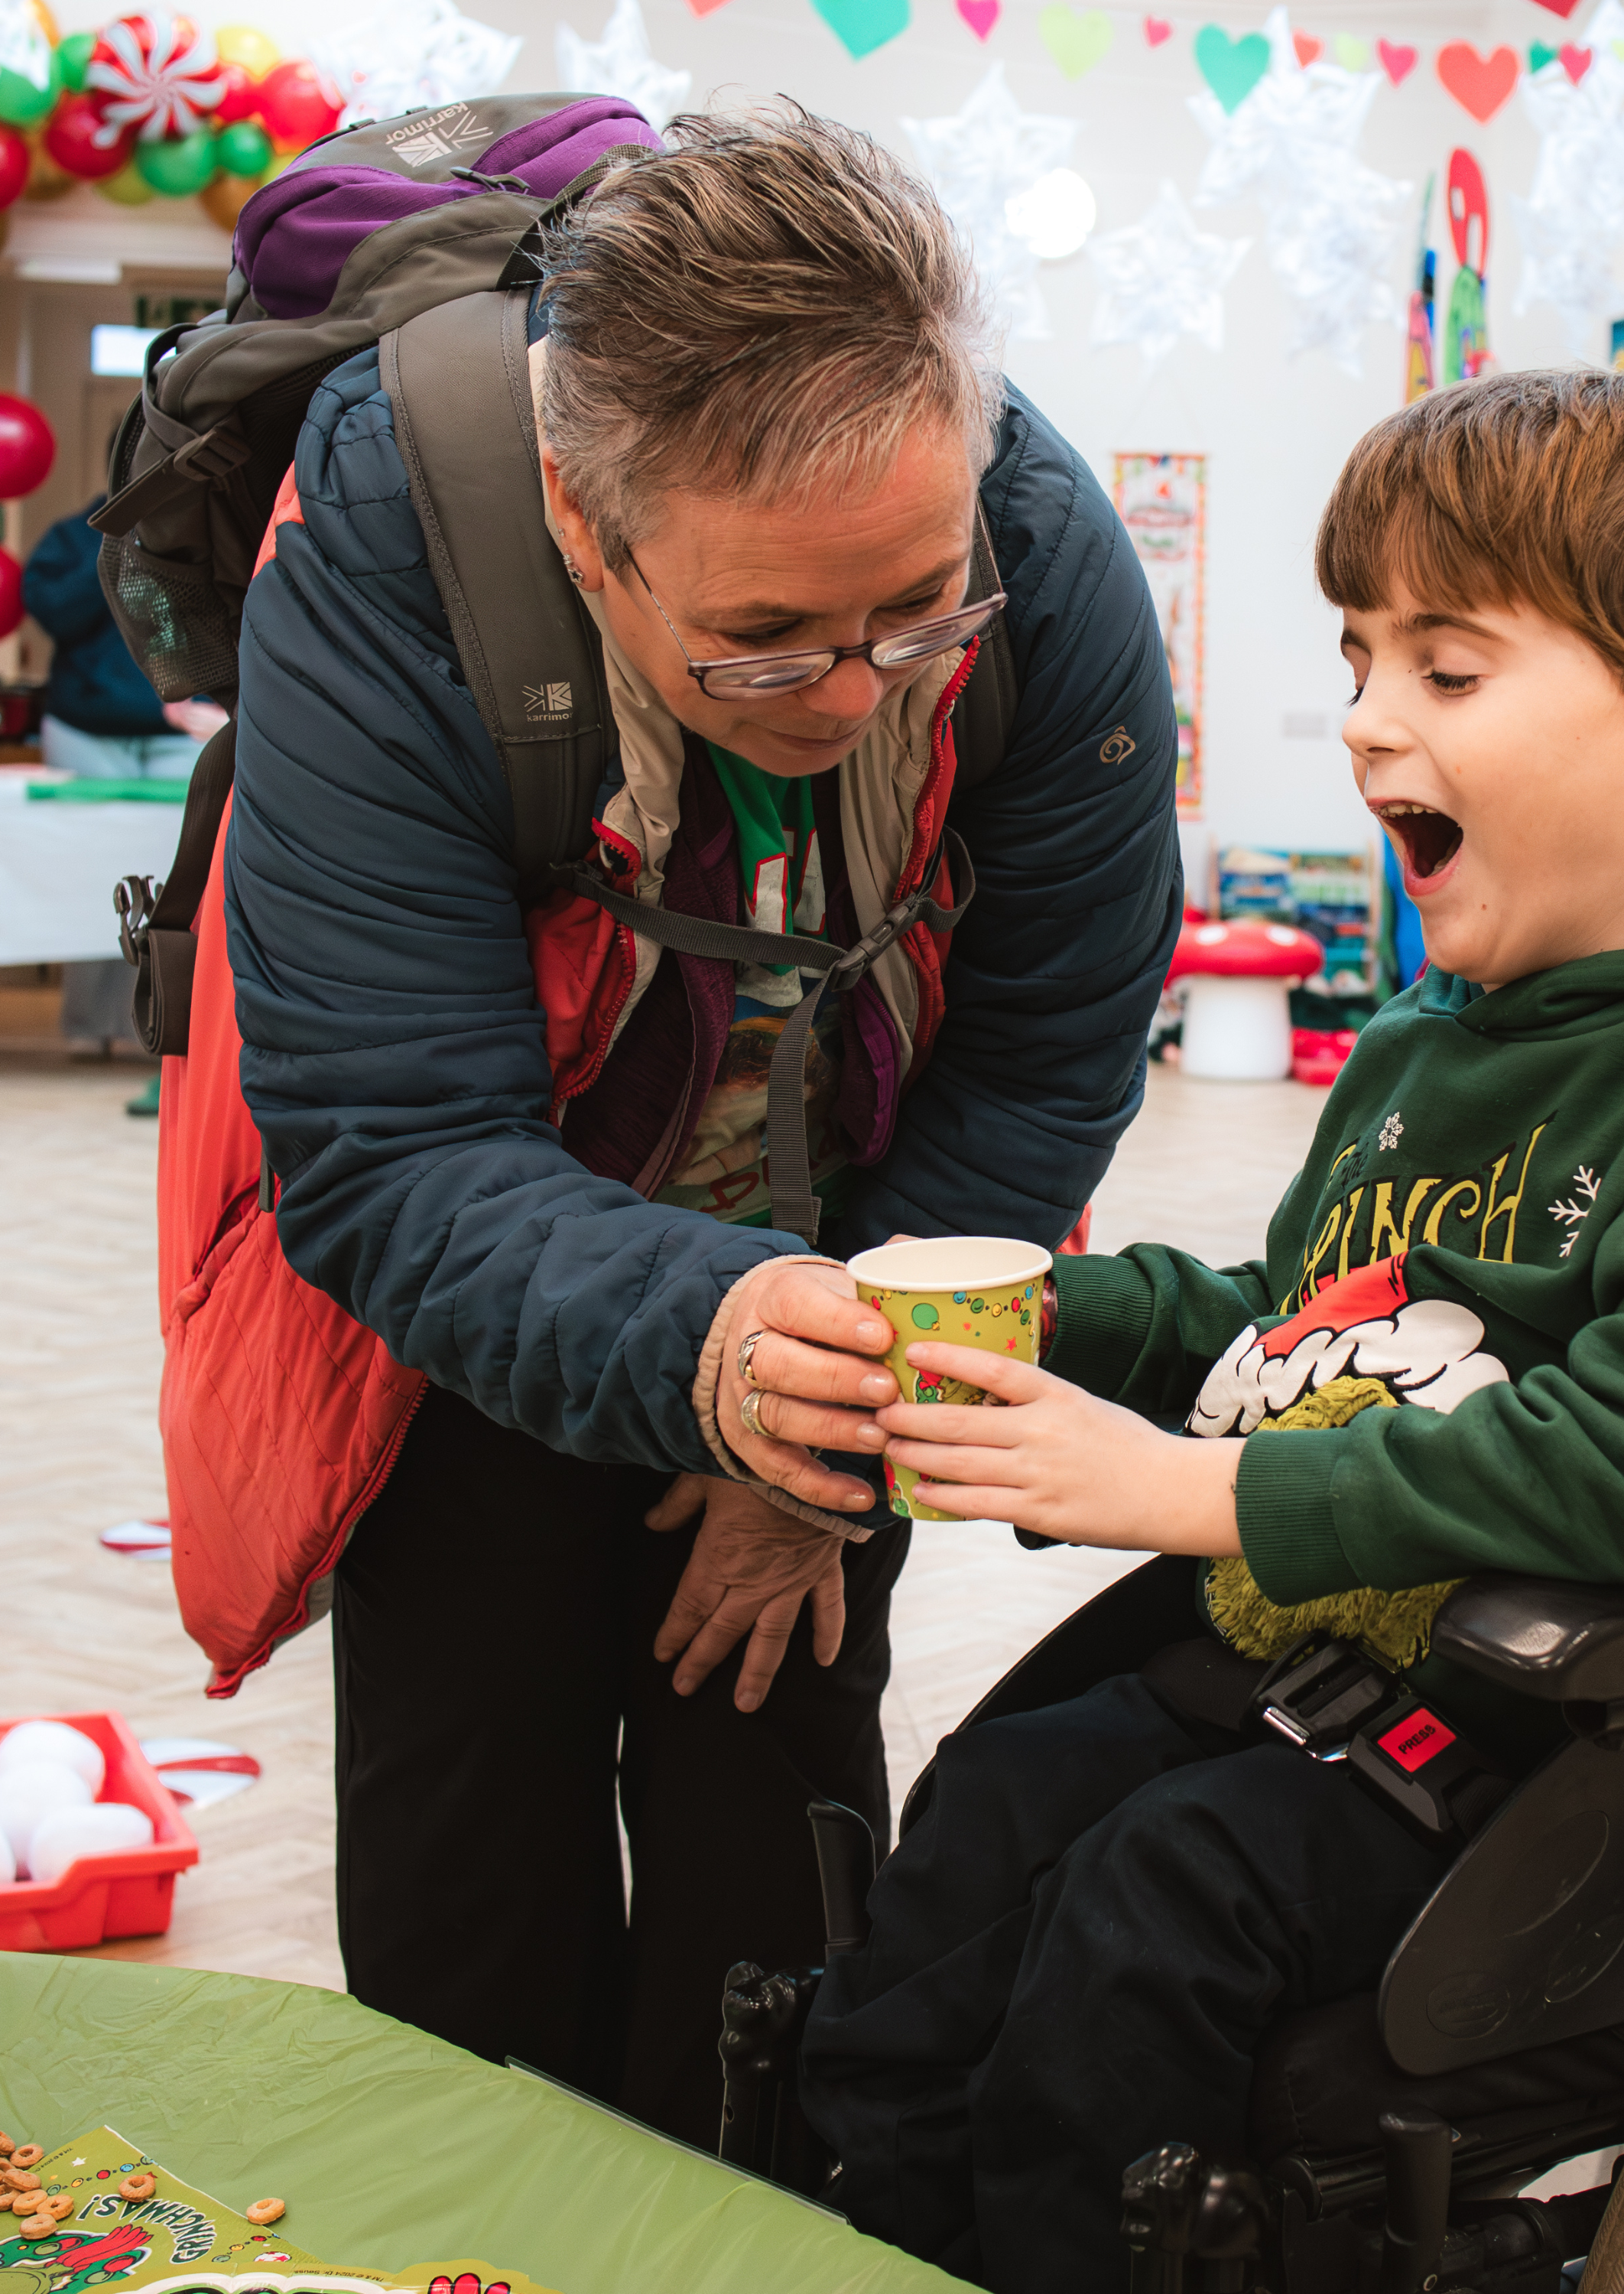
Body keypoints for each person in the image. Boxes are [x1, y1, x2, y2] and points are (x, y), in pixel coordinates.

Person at [800, 369, 1624, 2288]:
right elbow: (1307, 1328)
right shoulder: (1420, 1052)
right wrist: (1064, 1316)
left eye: (1445, 674)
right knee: (989, 1805)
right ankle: (853, 2225)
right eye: (1361, 658)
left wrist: (1209, 1496)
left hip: (1575, 1742)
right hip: (1335, 1677)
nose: (1368, 719)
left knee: (1150, 1901)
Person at [214, 108, 1179, 2145]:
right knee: (472, 1915)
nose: (850, 693)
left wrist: (821, 1444)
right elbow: (390, 1141)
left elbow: (1046, 1057)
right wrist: (713, 1347)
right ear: (585, 524)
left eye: (912, 617)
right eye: (762, 643)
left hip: (843, 1278)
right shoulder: (397, 535)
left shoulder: (1049, 563)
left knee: (784, 1915)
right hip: (479, 1287)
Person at [23, 484, 222, 1089]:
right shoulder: (72, 534)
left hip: (180, 729)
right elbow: (54, 610)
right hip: (87, 729)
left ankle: (156, 1025)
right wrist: (117, 543)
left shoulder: (198, 523)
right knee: (86, 876)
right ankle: (87, 1025)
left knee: (175, 881)